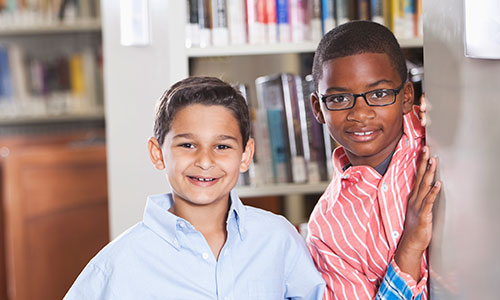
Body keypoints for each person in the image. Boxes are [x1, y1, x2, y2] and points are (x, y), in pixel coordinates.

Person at [63, 76, 325, 299]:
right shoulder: (118, 263)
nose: (204, 161)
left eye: (222, 146)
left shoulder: (278, 239)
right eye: (188, 145)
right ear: (157, 153)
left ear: (245, 155)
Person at [306, 20, 441, 300]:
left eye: (379, 94)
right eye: (340, 98)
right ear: (318, 109)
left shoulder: (441, 134)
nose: (360, 114)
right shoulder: (327, 228)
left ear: (406, 96)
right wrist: (410, 247)